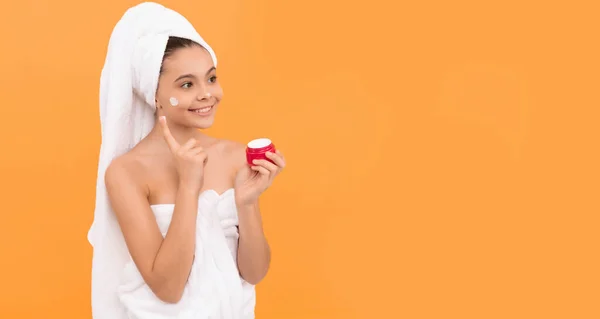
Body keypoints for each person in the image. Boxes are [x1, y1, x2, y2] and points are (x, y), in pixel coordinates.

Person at [87, 2, 285, 318]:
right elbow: (168, 289)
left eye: (211, 78)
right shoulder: (126, 173)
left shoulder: (234, 156)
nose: (207, 94)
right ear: (154, 94)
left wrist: (246, 203)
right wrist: (188, 188)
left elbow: (254, 274)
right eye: (187, 84)